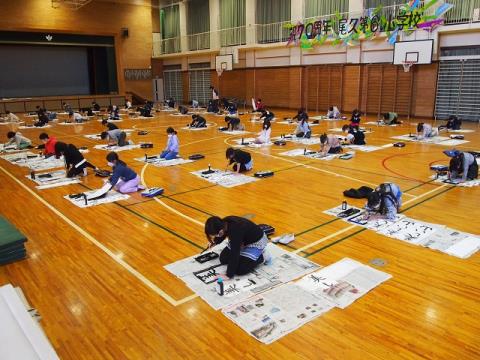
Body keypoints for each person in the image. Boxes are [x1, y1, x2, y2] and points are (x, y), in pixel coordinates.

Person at [204, 216, 268, 278]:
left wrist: (228, 275)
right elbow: (224, 233)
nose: (217, 236)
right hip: (242, 240)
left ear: (221, 230)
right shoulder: (224, 223)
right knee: (223, 259)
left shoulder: (235, 231)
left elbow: (234, 253)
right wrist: (215, 242)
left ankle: (262, 257)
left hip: (255, 241)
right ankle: (246, 258)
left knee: (239, 270)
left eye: (217, 235)